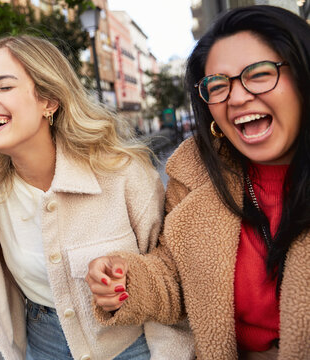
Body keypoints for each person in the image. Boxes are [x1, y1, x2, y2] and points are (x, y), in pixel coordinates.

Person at [87, 5, 310, 359]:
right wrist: (127, 281)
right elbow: (179, 277)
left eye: (259, 74)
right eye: (218, 85)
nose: (236, 97)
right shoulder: (194, 173)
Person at [0, 35, 194, 360]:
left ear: (49, 101)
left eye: (4, 87)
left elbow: (170, 277)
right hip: (43, 344)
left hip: (134, 346)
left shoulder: (123, 174)